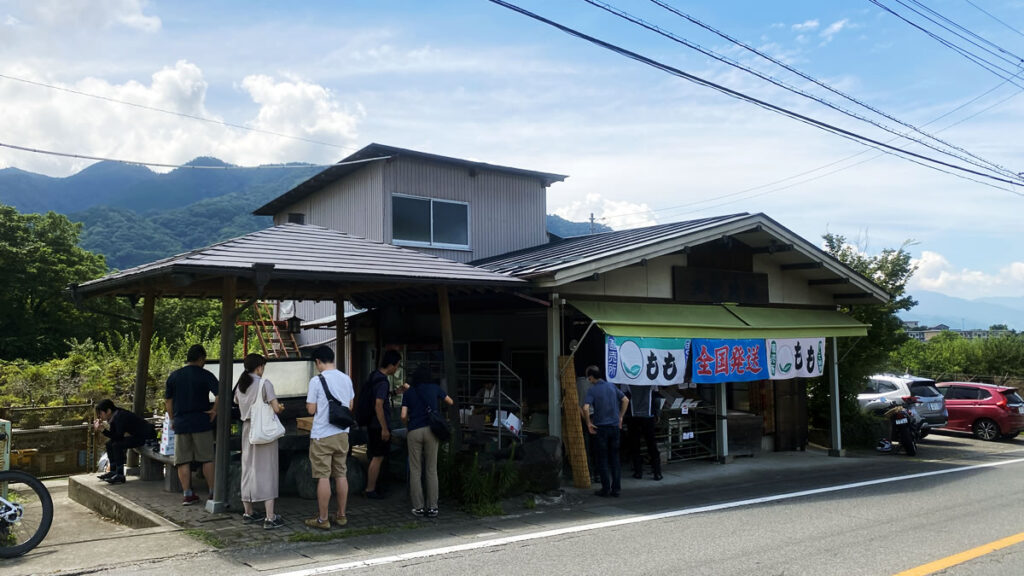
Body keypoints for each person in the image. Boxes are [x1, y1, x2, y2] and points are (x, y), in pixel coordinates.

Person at [304, 345, 355, 530]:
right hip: (342, 433)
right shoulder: (346, 378)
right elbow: (350, 406)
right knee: (341, 473)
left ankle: (323, 519)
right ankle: (341, 515)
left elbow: (311, 409)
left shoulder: (316, 381)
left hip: (322, 434)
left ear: (318, 361)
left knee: (323, 476)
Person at [233, 353, 285, 529]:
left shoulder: (240, 385)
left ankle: (248, 512)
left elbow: (237, 403)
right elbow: (276, 408)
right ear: (259, 367)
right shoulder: (265, 384)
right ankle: (270, 517)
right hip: (263, 432)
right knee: (267, 470)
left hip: (247, 430)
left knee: (248, 469)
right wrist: (280, 407)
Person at [164, 344, 218, 506]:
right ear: (201, 358)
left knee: (183, 460)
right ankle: (213, 493)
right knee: (207, 458)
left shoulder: (174, 376)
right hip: (201, 420)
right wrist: (214, 410)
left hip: (181, 422)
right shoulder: (206, 375)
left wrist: (173, 419)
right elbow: (220, 395)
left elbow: (168, 401)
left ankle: (187, 494)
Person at [400, 364, 453, 518]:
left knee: (415, 469)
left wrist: (408, 426)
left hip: (414, 431)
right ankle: (433, 507)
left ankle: (418, 507)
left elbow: (403, 415)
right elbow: (450, 401)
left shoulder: (409, 392)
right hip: (431, 430)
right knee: (431, 469)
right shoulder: (434, 388)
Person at [358, 349, 402, 500]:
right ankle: (370, 489)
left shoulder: (374, 375)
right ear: (391, 365)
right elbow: (378, 405)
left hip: (371, 423)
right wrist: (384, 428)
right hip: (378, 425)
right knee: (378, 457)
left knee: (374, 456)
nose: (397, 368)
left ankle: (372, 486)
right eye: (397, 365)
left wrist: (395, 392)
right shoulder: (383, 381)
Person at [581, 365, 628, 497]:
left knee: (602, 459)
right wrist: (620, 417)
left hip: (601, 428)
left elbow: (585, 408)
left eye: (588, 377)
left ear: (591, 377)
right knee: (615, 458)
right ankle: (616, 489)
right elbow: (625, 400)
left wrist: (588, 423)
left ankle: (606, 488)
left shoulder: (592, 390)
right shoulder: (612, 386)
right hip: (614, 427)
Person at [94, 399, 156, 484]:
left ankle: (120, 475)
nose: (99, 416)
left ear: (108, 411)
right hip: (137, 435)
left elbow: (118, 437)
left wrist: (103, 430)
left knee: (117, 445)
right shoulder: (114, 416)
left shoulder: (120, 416)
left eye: (100, 413)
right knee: (109, 444)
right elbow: (114, 435)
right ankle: (113, 471)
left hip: (146, 437)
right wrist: (103, 429)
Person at [623, 384, 663, 481]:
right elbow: (656, 398)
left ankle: (638, 472)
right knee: (652, 444)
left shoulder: (626, 380)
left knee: (635, 445)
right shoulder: (650, 377)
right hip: (648, 416)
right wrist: (657, 413)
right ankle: (657, 472)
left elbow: (624, 397)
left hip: (633, 416)